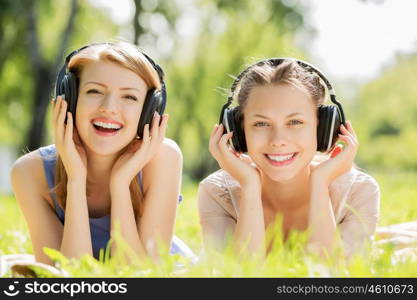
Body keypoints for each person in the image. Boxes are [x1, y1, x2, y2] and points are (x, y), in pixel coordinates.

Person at [10, 41, 194, 265]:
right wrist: (75, 180)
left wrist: (120, 184)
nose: (109, 107)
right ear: (69, 100)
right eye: (94, 91)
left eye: (129, 97)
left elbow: (139, 277)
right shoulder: (30, 172)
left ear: (148, 112)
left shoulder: (163, 158)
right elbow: (65, 281)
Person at [198, 58, 380, 258]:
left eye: (295, 121)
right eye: (261, 124)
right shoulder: (216, 192)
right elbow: (236, 277)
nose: (278, 140)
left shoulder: (359, 192)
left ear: (323, 130)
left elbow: (330, 279)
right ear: (238, 133)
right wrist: (250, 185)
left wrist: (320, 183)